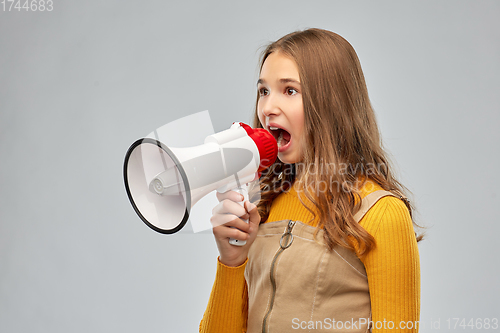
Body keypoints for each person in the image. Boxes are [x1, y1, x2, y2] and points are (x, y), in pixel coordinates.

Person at [199, 28, 422, 333]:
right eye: (263, 91)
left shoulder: (381, 213)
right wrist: (232, 261)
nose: (267, 108)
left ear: (331, 103)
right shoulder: (263, 204)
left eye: (289, 90)